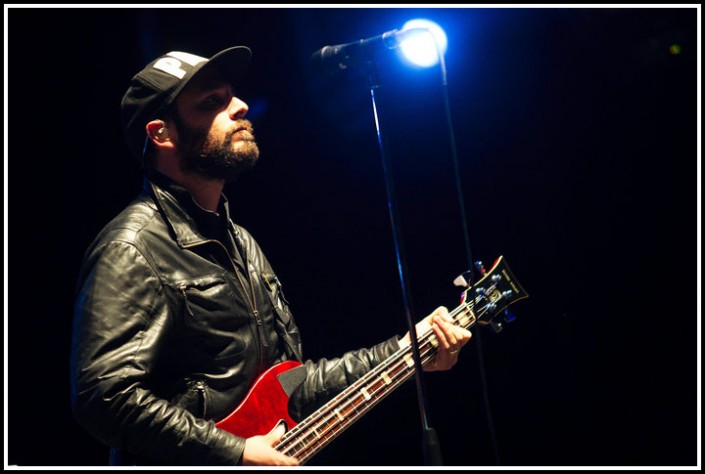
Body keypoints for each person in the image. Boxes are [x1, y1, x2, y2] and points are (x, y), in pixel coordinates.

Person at [69, 45, 472, 466]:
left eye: (233, 95)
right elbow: (104, 395)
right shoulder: (132, 246)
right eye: (213, 102)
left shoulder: (242, 244)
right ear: (162, 134)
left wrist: (409, 348)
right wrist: (236, 450)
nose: (241, 106)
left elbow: (290, 386)